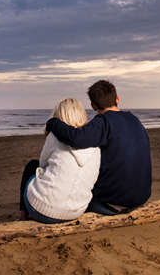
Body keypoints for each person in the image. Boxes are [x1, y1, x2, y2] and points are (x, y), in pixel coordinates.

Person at [45, 80, 151, 215]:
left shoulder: (103, 122)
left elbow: (76, 138)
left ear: (93, 105)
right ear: (117, 99)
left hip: (113, 202)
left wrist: (53, 122)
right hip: (141, 197)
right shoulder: (134, 120)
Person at [19, 98, 100, 223]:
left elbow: (42, 164)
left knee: (32, 166)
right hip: (76, 211)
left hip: (42, 210)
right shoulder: (95, 144)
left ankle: (23, 214)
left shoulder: (55, 136)